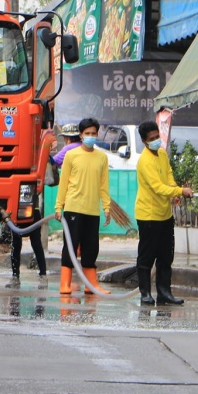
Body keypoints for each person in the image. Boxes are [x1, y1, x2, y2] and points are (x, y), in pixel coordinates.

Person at [134, 120, 194, 306]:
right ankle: (145, 293)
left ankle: (164, 293)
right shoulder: (144, 161)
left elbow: (167, 176)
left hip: (165, 215)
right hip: (148, 215)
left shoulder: (161, 153)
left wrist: (174, 190)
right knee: (146, 257)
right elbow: (158, 187)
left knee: (166, 256)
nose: (156, 141)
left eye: (157, 136)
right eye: (151, 139)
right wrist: (179, 191)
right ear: (144, 141)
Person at [54, 117, 111, 295]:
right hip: (73, 208)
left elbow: (104, 185)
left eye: (94, 133)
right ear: (81, 135)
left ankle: (90, 284)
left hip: (92, 209)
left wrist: (107, 207)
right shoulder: (71, 155)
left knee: (91, 248)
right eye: (87, 133)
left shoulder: (102, 157)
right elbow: (63, 183)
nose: (91, 136)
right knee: (70, 245)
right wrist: (58, 206)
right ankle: (65, 283)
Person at [10, 203, 47, 283]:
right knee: (15, 245)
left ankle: (43, 275)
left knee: (36, 244)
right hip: (17, 210)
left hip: (33, 211)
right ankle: (15, 276)